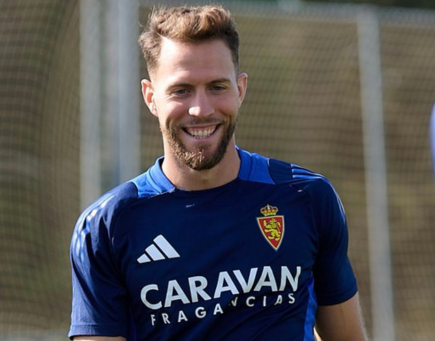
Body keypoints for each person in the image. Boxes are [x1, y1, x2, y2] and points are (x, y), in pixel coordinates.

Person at [69, 4, 368, 341]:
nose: (201, 109)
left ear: (240, 89)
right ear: (151, 97)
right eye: (181, 90)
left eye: (217, 87)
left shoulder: (307, 198)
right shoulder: (106, 227)